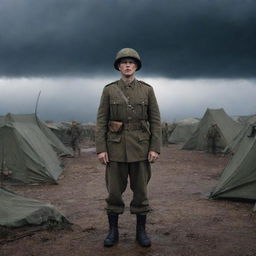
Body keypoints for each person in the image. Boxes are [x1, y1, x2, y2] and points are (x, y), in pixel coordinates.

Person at [96, 48, 161, 247]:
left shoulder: (147, 90)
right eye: (123, 62)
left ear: (136, 66)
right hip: (115, 149)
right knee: (114, 193)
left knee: (141, 192)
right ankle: (113, 231)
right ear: (118, 66)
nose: (127, 65)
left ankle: (140, 232)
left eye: (131, 62)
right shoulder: (109, 89)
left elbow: (155, 121)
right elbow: (101, 121)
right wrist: (101, 148)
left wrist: (154, 147)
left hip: (140, 148)